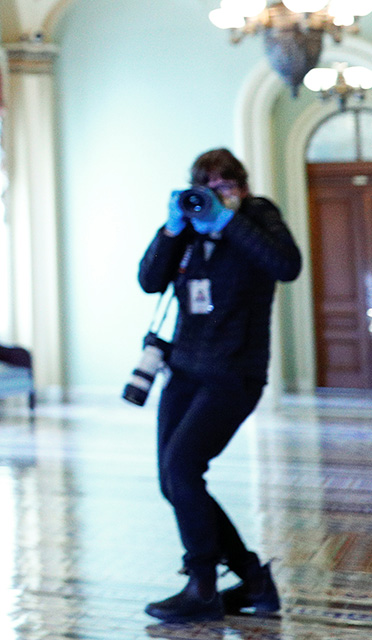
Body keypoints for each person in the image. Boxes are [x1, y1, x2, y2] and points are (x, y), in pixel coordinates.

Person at [137, 147, 300, 622]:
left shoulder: (258, 215)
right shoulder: (187, 222)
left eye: (225, 186)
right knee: (174, 479)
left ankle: (203, 585)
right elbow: (149, 280)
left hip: (235, 372)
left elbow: (286, 265)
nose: (215, 195)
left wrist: (228, 221)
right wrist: (172, 228)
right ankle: (252, 579)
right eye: (207, 187)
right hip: (184, 369)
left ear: (242, 187)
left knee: (184, 468)